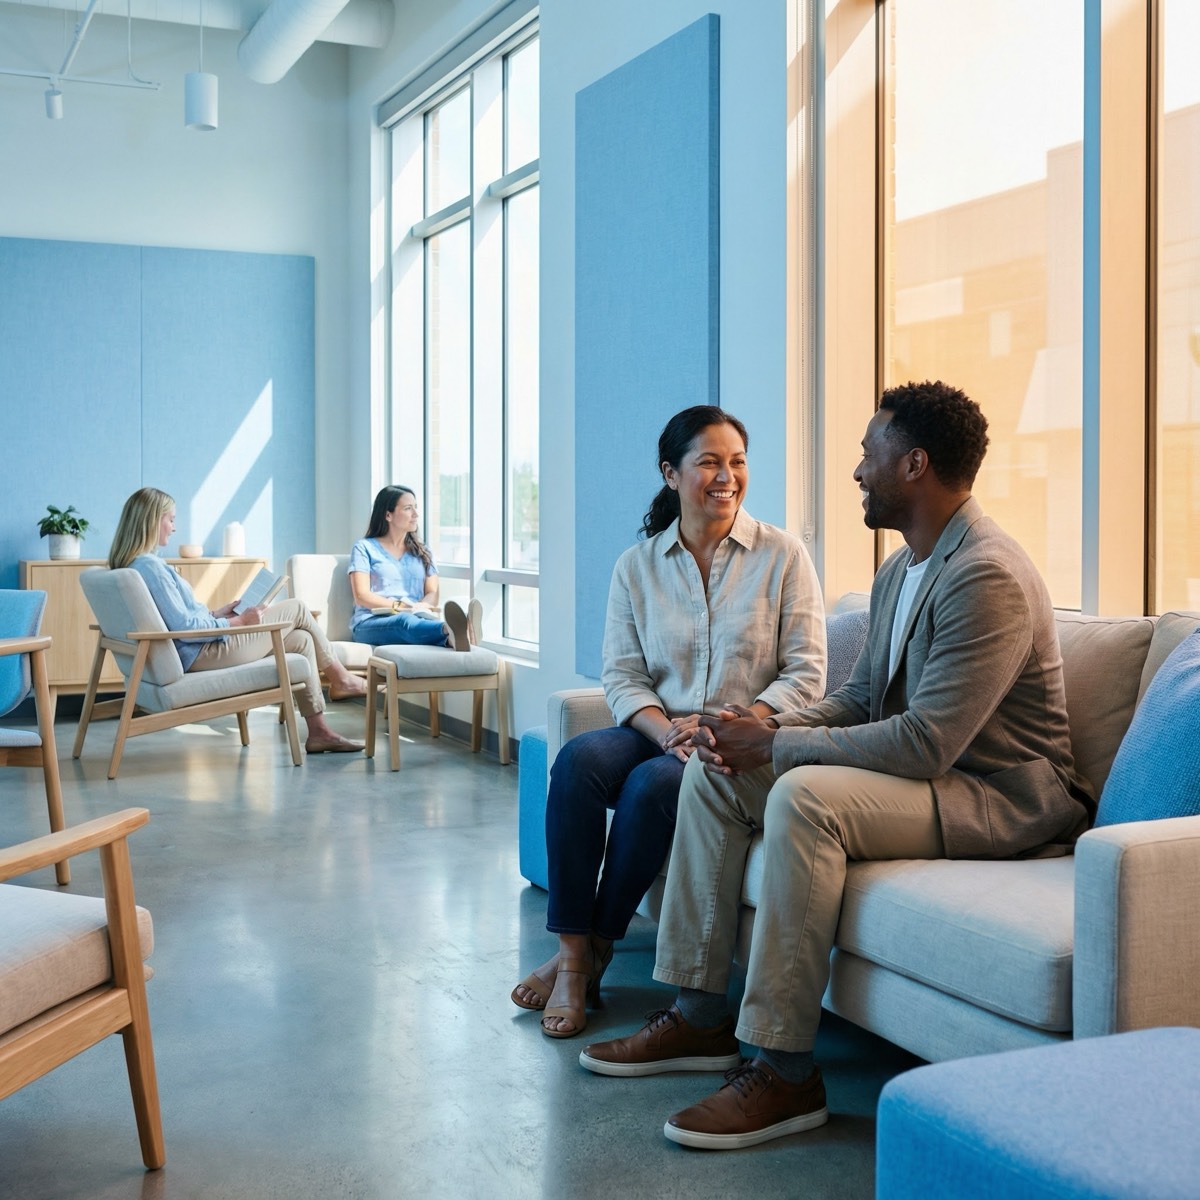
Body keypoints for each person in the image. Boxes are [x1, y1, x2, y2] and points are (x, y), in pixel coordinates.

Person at [579, 380, 1095, 1150]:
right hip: (932, 777)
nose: (857, 470)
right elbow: (859, 699)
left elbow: (926, 742)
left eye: (868, 453)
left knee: (807, 799)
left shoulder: (985, 573)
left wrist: (776, 745)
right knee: (713, 772)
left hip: (995, 796)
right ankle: (699, 1016)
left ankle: (785, 1071)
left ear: (914, 464)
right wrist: (755, 727)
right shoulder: (902, 568)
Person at [511, 405, 827, 1039]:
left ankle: (592, 953)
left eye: (736, 462)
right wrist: (664, 731)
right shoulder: (637, 567)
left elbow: (806, 671)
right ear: (670, 473)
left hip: (737, 738)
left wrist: (741, 722)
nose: (726, 476)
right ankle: (573, 955)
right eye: (709, 462)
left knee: (654, 785)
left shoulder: (783, 557)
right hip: (658, 728)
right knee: (576, 762)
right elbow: (623, 674)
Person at [109, 487, 366, 755]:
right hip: (203, 652)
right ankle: (341, 678)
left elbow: (179, 619)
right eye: (171, 519)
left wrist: (218, 614)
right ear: (152, 520)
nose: (174, 528)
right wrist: (240, 622)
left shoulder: (135, 565)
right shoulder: (151, 568)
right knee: (298, 608)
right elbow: (184, 629)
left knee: (301, 640)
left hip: (198, 647)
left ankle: (319, 732)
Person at [348, 485, 478, 653]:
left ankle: (454, 637)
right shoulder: (364, 548)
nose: (416, 514)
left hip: (416, 617)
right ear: (388, 515)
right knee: (403, 622)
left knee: (412, 622)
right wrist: (400, 606)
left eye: (415, 507)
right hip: (371, 623)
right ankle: (452, 630)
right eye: (408, 508)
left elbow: (432, 592)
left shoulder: (423, 551)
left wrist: (422, 605)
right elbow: (361, 596)